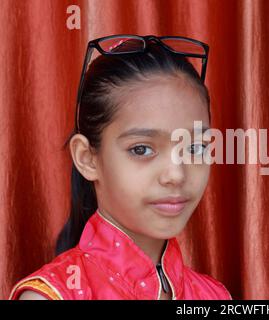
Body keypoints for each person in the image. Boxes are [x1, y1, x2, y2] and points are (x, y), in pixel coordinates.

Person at [9, 34, 231, 300]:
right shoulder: (49, 296)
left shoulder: (213, 296)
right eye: (142, 149)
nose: (176, 174)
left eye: (195, 148)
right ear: (87, 158)